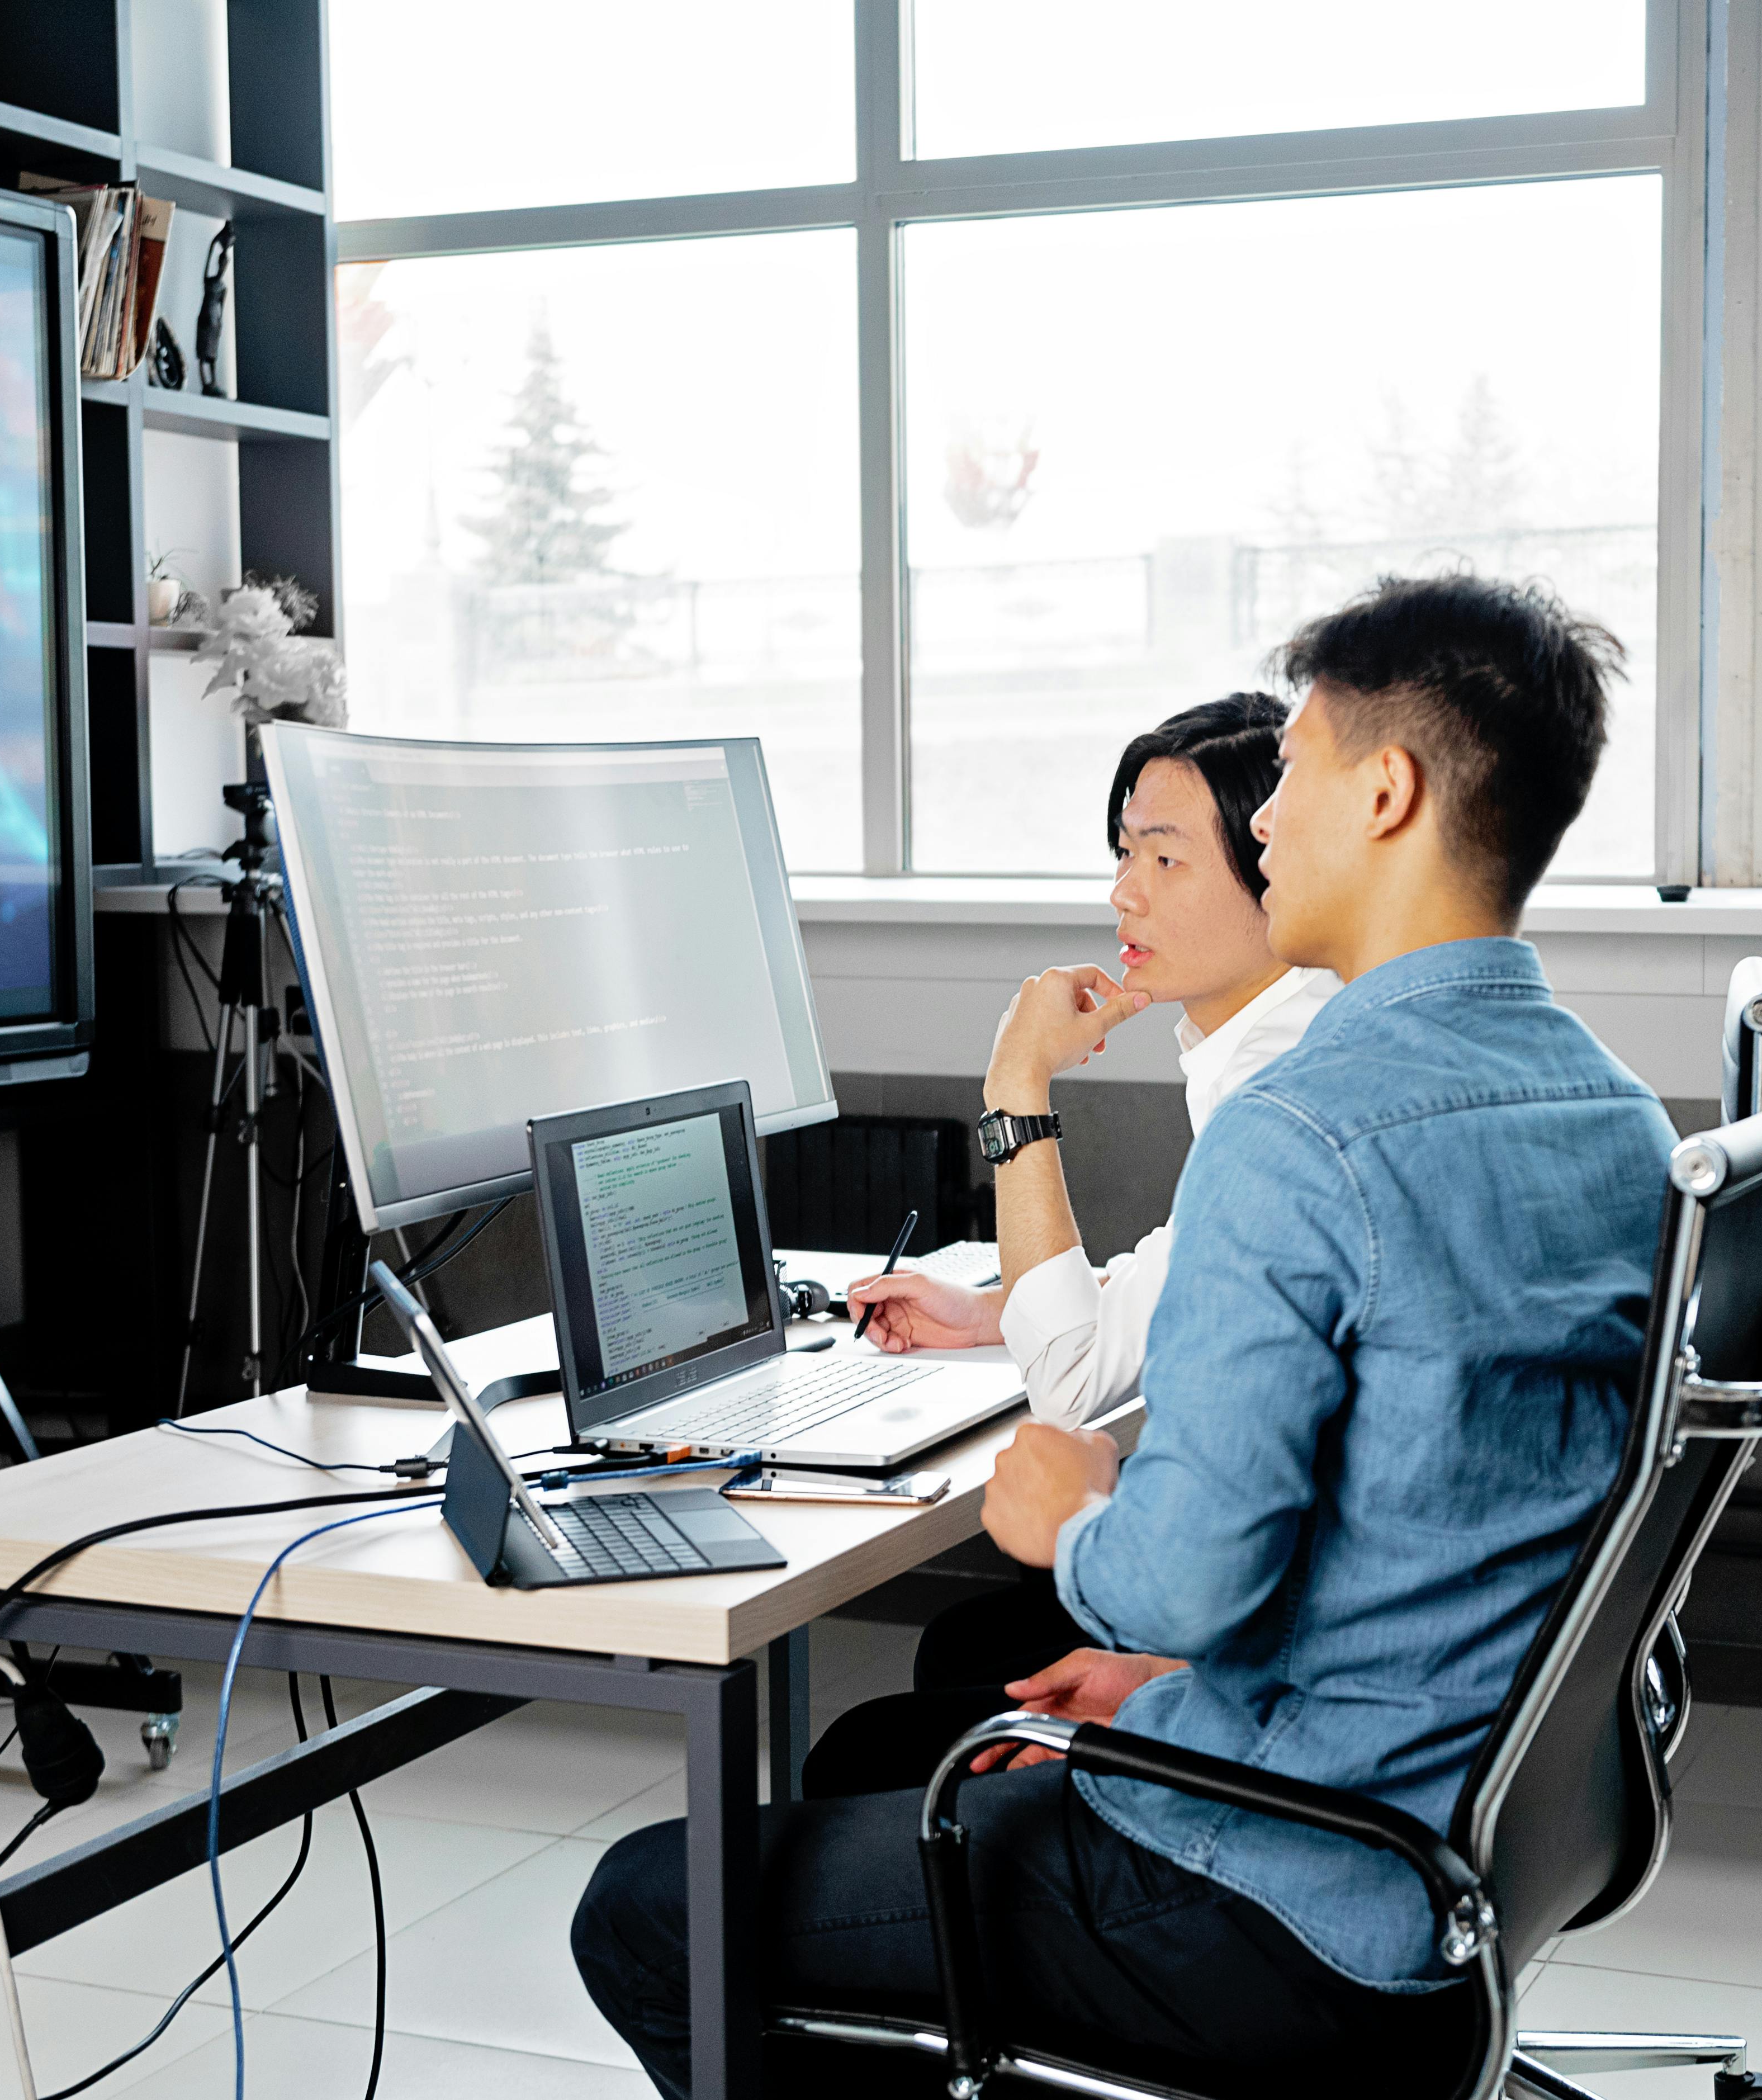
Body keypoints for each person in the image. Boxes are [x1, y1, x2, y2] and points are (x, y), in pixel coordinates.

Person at [571, 575, 1676, 2098]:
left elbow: (1184, 1572)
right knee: (891, 1767)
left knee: (649, 1905)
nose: (1267, 820)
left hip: (1283, 1891)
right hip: (1458, 1849)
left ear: (1386, 789)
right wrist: (1165, 1689)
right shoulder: (1621, 1113)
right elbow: (1444, 1536)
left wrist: (1071, 1521)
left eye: (1285, 777)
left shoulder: (1305, 1125)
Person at [801, 696, 1339, 1796]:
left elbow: (1074, 1385)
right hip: (1296, 1603)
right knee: (964, 1649)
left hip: (1278, 1650)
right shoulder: (1300, 1036)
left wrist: (1016, 1089)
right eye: (1122, 852)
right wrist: (993, 1311)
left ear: (1274, 868)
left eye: (1164, 857)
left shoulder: (1280, 1091)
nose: (1122, 893)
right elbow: (1192, 1276)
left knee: (875, 1739)